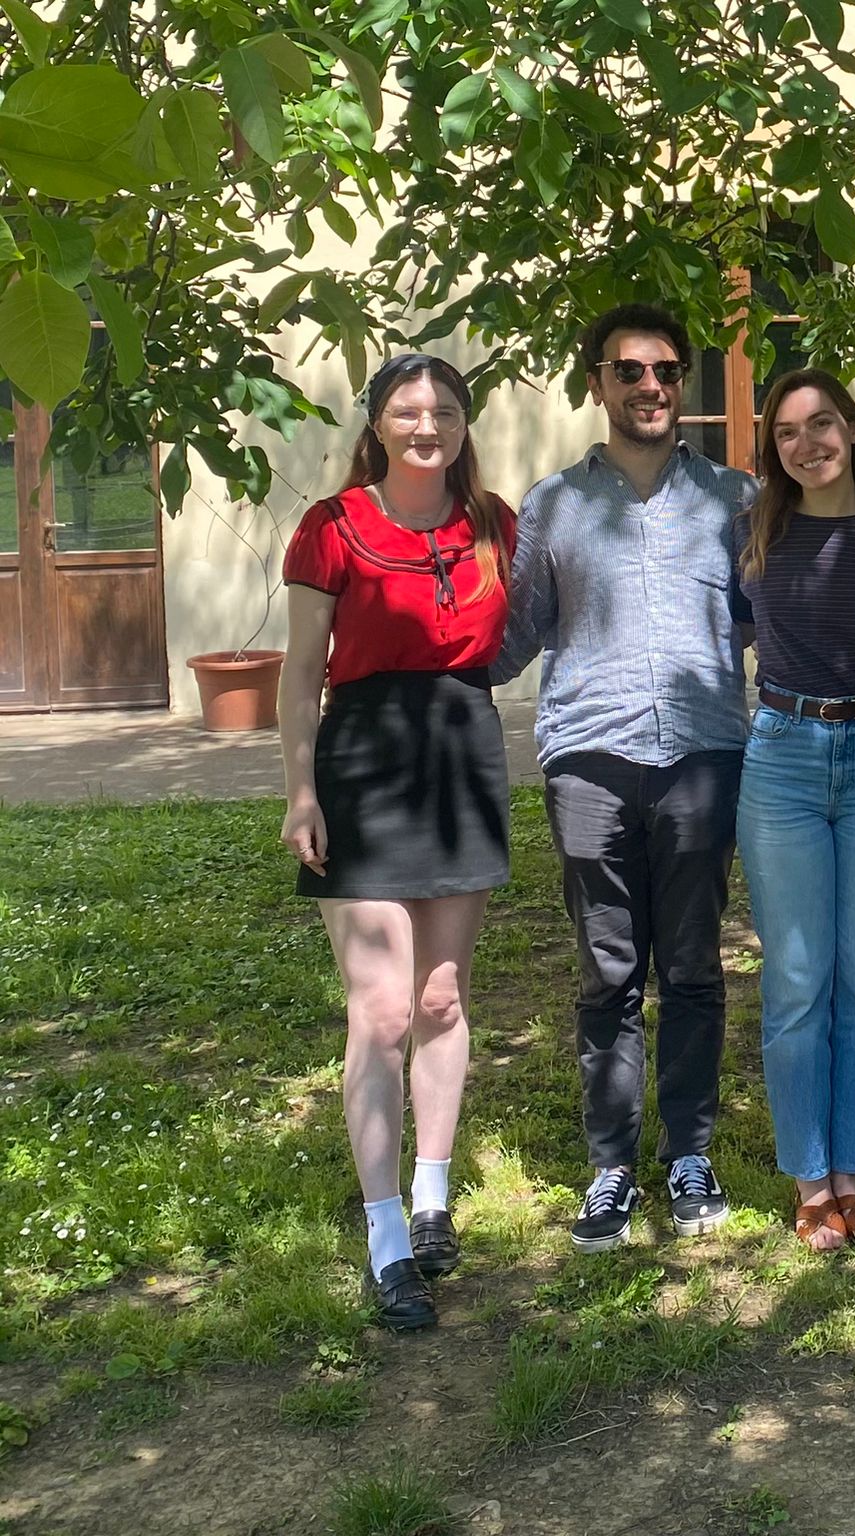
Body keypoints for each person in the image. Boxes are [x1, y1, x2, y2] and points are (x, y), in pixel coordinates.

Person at [491, 304, 755, 1255]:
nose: (652, 388)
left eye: (668, 372)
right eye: (631, 372)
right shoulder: (553, 505)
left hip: (702, 757)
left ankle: (689, 1153)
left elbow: (780, 619)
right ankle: (611, 1167)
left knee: (690, 966)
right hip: (589, 760)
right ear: (596, 384)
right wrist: (404, 660)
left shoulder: (738, 499)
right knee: (608, 971)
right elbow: (514, 634)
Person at [278, 353, 515, 1330]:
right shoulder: (331, 527)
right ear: (376, 424)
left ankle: (430, 1199)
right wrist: (299, 792)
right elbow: (299, 676)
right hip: (364, 764)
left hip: (461, 755)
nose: (428, 426)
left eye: (445, 411)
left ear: (464, 425)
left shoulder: (497, 525)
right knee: (379, 1010)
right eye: (408, 412)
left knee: (441, 998)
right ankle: (384, 1243)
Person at [731, 369, 855, 1253]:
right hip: (783, 760)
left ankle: (854, 1170)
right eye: (788, 433)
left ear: (854, 428)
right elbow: (725, 631)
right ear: (773, 448)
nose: (807, 445)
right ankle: (810, 1179)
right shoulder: (755, 530)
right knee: (799, 978)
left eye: (823, 425)